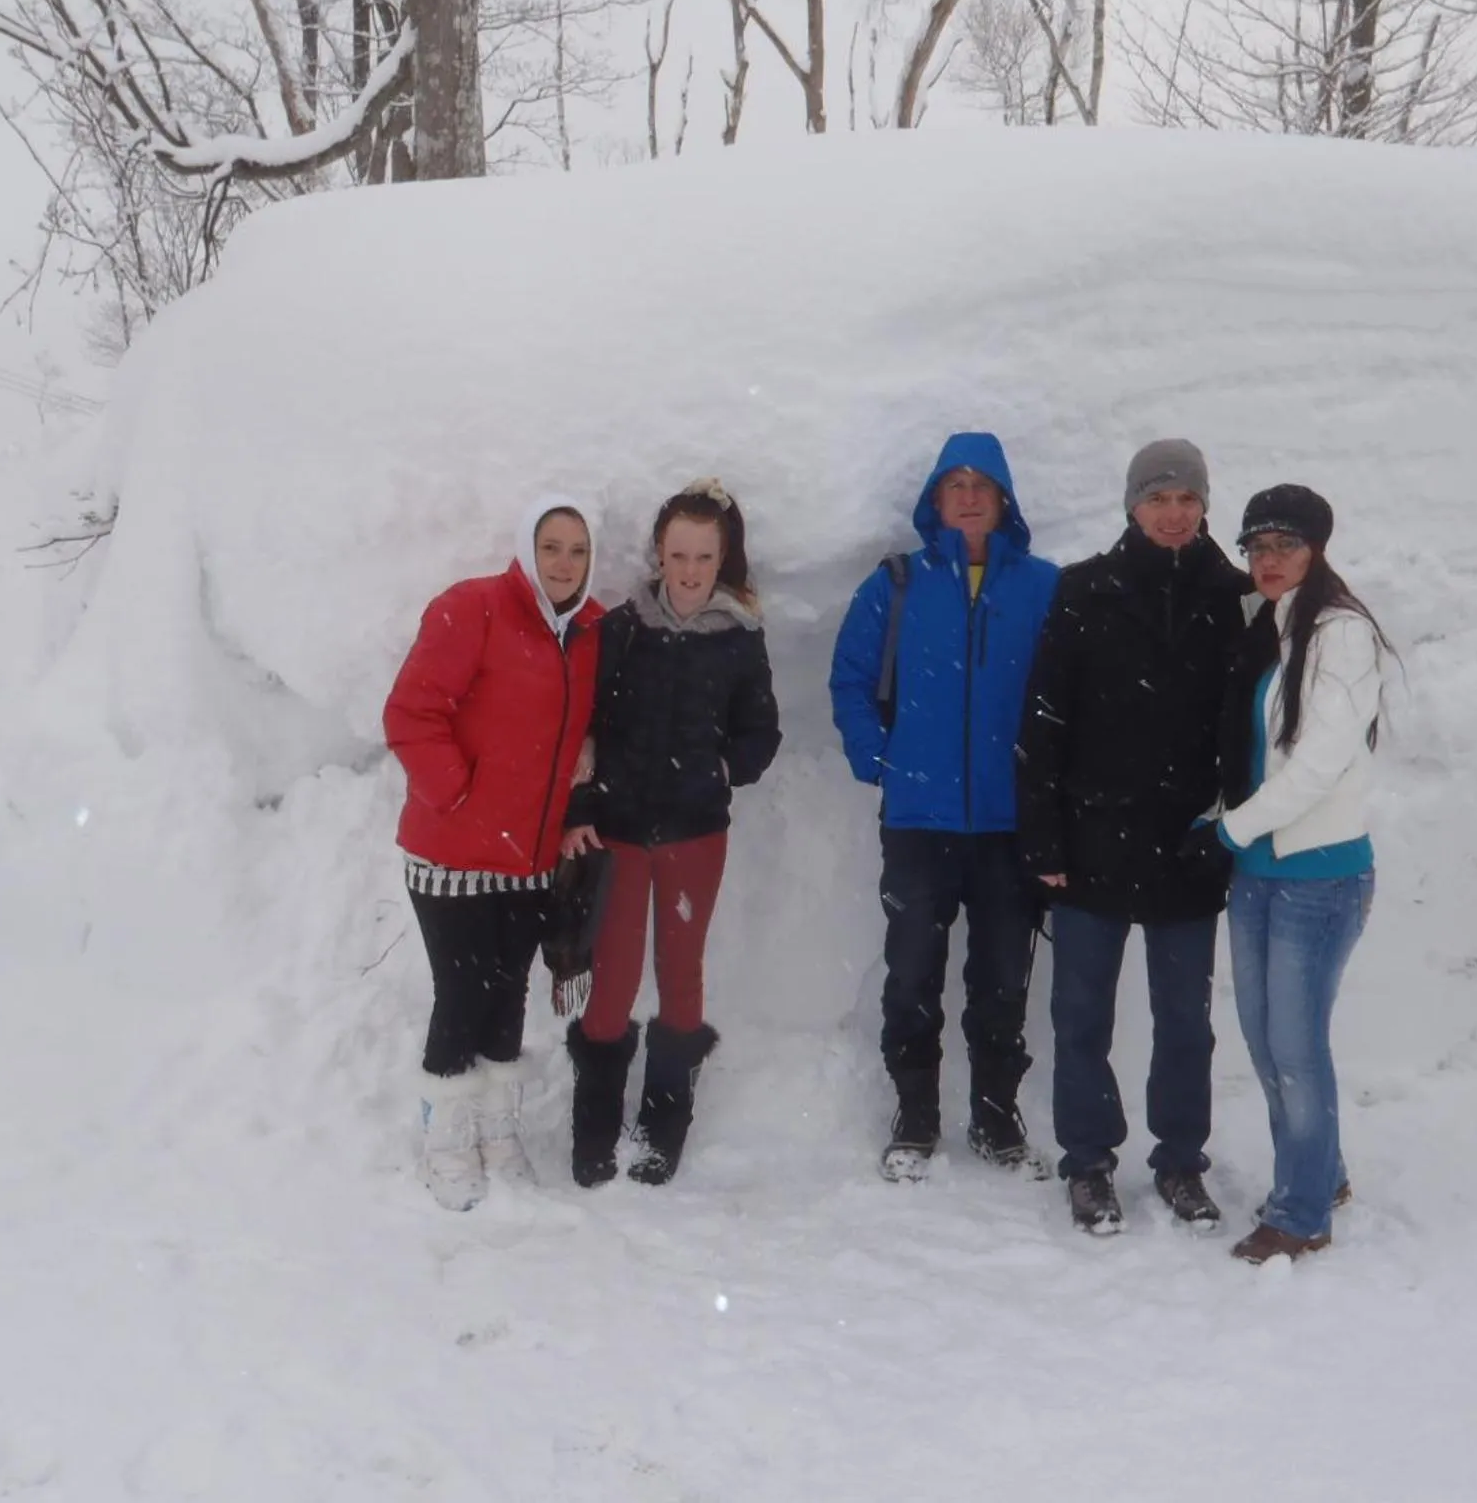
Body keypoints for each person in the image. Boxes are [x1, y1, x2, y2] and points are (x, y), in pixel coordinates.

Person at [1016, 439, 1250, 1234]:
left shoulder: (1235, 597)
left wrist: (1228, 826)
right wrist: (1044, 842)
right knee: (1081, 1016)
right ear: (1132, 506)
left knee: (1186, 1021)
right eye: (1159, 499)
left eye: (1187, 499)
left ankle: (1181, 1161)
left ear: (1205, 505)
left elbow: (1250, 734)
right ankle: (1088, 1162)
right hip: (1093, 843)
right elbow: (1044, 723)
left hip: (1190, 848)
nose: (1174, 514)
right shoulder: (1086, 590)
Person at [829, 433, 1061, 1181]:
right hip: (919, 823)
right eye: (954, 484)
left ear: (1004, 501)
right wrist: (881, 761)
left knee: (1002, 979)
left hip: (1008, 825)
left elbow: (1071, 695)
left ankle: (996, 1117)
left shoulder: (1042, 588)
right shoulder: (897, 583)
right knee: (913, 974)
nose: (968, 496)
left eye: (982, 485)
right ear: (935, 500)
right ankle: (916, 1115)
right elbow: (851, 680)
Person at [383, 494, 605, 1211]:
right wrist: (459, 797)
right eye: (551, 546)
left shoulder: (590, 633)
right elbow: (411, 713)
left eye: (577, 549)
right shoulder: (472, 608)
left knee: (508, 989)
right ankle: (447, 1135)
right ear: (527, 549)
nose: (564, 563)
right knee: (463, 992)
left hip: (530, 857)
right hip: (451, 855)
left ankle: (497, 1128)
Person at [560, 480, 781, 1187]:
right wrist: (583, 809)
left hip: (694, 835)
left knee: (680, 974)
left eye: (703, 556)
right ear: (659, 553)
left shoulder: (740, 640)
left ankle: (664, 1120)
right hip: (620, 834)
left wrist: (723, 765)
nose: (689, 570)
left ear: (723, 559)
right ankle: (594, 1125)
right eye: (678, 554)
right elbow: (584, 729)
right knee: (614, 979)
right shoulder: (623, 631)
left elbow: (761, 733)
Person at [1214, 484, 1388, 1264]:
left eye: (1284, 544)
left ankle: (1303, 1210)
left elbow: (1319, 763)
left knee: (1295, 1047)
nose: (1268, 559)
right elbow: (1258, 753)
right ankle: (1325, 1173)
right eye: (1255, 546)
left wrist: (1233, 825)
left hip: (1319, 876)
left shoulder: (1342, 635)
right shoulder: (1275, 627)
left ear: (1316, 547)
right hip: (1259, 870)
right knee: (1266, 1042)